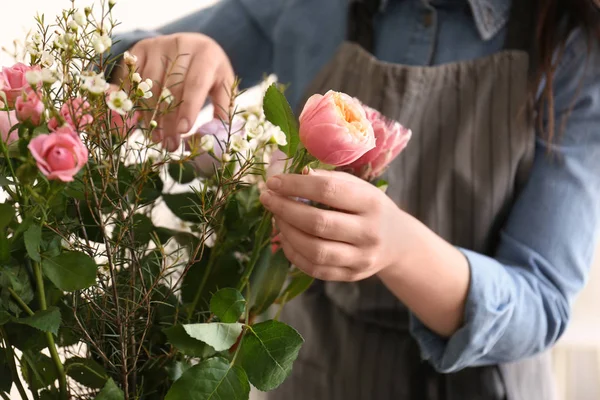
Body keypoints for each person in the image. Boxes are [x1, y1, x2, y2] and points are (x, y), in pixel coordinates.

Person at [111, 0, 600, 398]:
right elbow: (112, 57)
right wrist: (159, 57)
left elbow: (543, 304)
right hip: (316, 370)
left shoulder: (575, 49)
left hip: (484, 384)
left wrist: (402, 249)